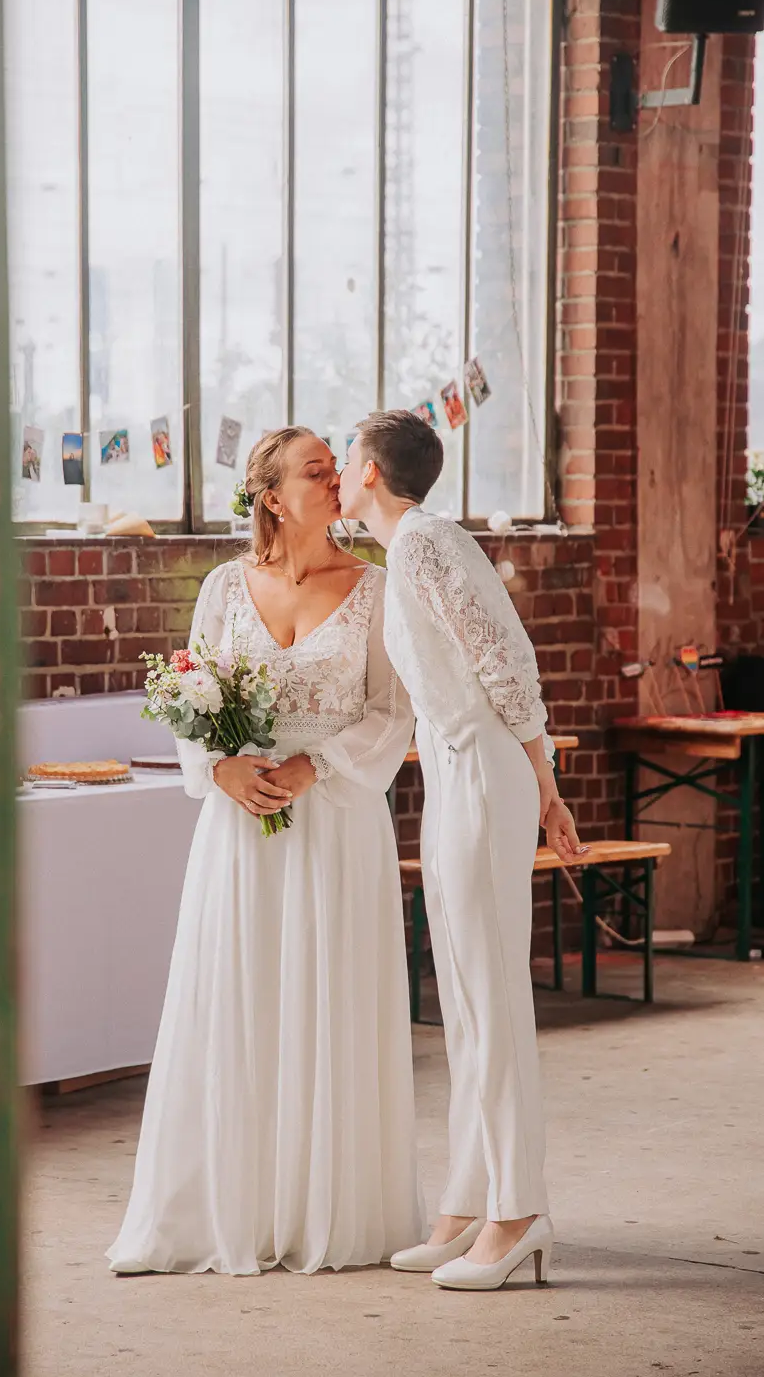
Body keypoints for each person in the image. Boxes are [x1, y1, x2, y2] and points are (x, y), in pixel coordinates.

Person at [107, 427, 425, 1276]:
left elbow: (395, 713)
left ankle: (325, 1209)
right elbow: (186, 694)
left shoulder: (378, 589)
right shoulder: (221, 586)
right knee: (235, 998)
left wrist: (312, 763)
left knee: (329, 1000)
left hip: (336, 824)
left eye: (336, 468)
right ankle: (218, 1211)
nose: (337, 479)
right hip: (239, 834)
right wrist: (218, 769)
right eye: (316, 471)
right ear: (273, 498)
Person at [337, 410, 585, 1293]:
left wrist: (544, 785)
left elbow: (506, 661)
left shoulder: (428, 542)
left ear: (369, 470)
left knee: (491, 993)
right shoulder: (402, 548)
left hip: (484, 769)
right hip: (453, 773)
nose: (333, 470)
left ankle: (520, 1210)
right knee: (465, 997)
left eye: (342, 457)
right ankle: (469, 1197)